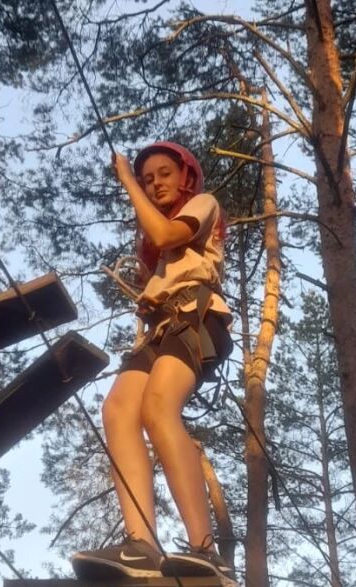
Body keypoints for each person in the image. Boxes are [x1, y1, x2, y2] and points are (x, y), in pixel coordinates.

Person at [71, 142, 235, 585]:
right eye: (147, 179)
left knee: (159, 408)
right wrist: (151, 294)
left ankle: (206, 549)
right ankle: (140, 543)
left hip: (198, 317)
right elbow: (158, 246)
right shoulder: (162, 255)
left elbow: (164, 235)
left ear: (186, 177)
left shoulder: (202, 204)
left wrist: (126, 179)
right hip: (164, 326)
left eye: (164, 174)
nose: (154, 183)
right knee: (118, 410)